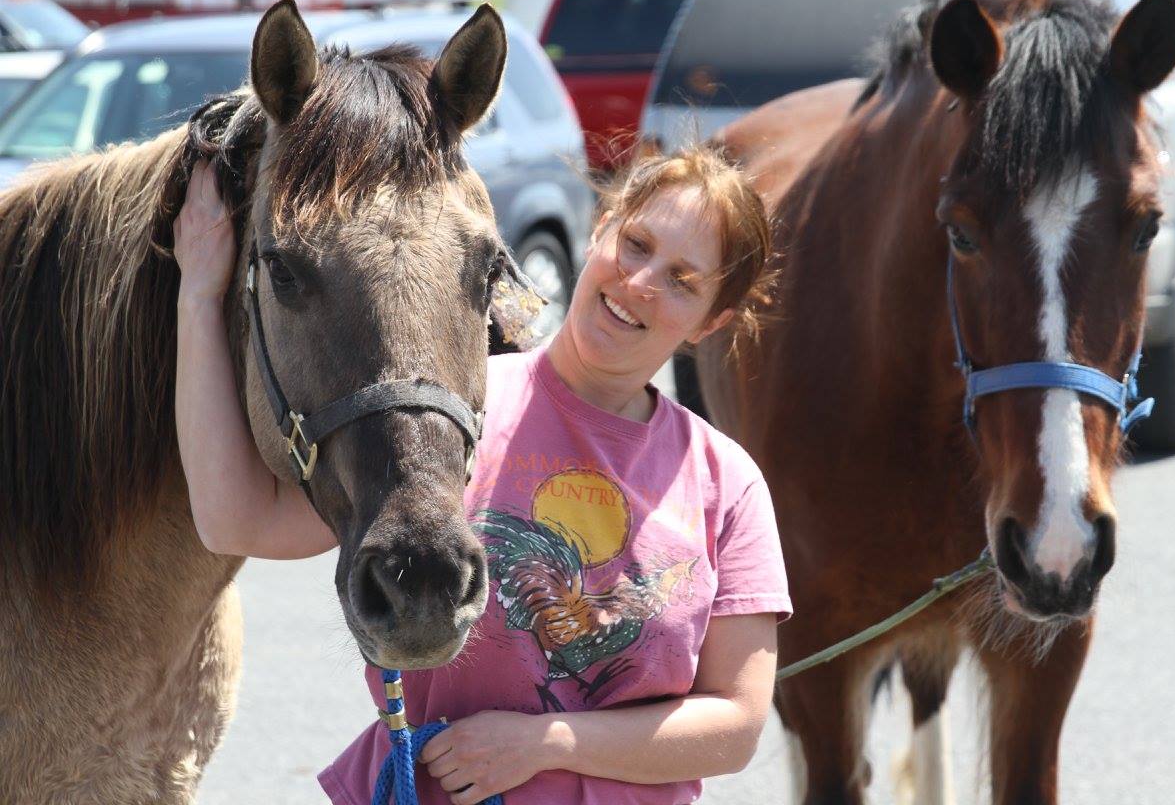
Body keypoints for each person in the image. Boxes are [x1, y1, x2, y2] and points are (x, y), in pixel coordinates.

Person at [173, 145, 791, 805]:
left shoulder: (727, 482)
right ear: (600, 228)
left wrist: (546, 744)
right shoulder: (449, 416)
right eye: (636, 244)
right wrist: (200, 296)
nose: (641, 282)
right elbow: (234, 520)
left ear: (713, 322)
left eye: (682, 280)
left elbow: (736, 724)